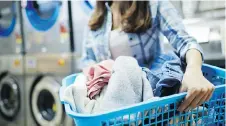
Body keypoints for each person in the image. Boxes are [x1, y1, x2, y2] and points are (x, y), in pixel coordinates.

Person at [81, 1, 215, 112]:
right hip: (112, 102)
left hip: (150, 98)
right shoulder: (96, 16)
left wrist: (193, 70)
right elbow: (87, 60)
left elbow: (184, 42)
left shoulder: (153, 4)